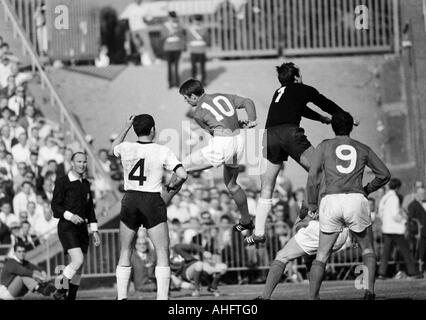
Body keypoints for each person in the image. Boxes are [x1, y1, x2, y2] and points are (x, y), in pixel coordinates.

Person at [246, 62, 357, 246]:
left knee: (267, 186)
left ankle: (258, 232)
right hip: (289, 133)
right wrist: (345, 115)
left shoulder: (278, 93)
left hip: (269, 135)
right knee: (323, 171)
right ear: (297, 77)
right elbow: (325, 103)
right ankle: (309, 207)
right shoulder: (303, 88)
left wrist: (320, 118)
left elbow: (301, 108)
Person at [306, 111, 391, 300]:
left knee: (321, 255)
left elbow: (313, 177)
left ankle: (312, 297)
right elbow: (384, 174)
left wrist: (311, 203)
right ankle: (369, 291)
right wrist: (367, 189)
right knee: (367, 249)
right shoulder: (363, 147)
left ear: (332, 126)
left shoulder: (324, 146)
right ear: (351, 127)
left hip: (331, 200)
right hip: (355, 198)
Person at [111, 114, 187, 300]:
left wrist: (126, 126)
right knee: (162, 250)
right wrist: (170, 186)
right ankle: (162, 298)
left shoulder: (126, 147)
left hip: (130, 198)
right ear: (153, 129)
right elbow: (182, 174)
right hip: (151, 199)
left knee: (126, 250)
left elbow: (113, 148)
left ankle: (121, 297)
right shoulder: (162, 150)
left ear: (135, 130)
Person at [178, 79, 257, 236]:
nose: (185, 101)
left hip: (223, 144)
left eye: (186, 98)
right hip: (239, 141)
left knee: (180, 166)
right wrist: (252, 119)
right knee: (232, 185)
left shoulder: (197, 113)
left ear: (193, 96)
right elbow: (248, 101)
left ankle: (160, 205)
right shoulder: (223, 96)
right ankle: (246, 221)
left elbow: (214, 131)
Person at [255, 215, 349, 300]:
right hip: (342, 233)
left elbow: (307, 206)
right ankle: (314, 297)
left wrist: (299, 219)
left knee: (282, 256)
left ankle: (264, 297)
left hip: (321, 228)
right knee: (312, 259)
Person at [51, 152, 101, 300]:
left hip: (82, 230)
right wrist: (70, 216)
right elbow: (55, 206)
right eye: (79, 161)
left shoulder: (86, 184)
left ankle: (70, 297)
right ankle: (59, 290)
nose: (82, 164)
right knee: (77, 260)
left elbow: (90, 209)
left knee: (79, 267)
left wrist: (95, 231)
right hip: (67, 228)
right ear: (72, 163)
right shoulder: (62, 182)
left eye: (84, 162)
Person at [377, 178, 421, 279]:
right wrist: (404, 221)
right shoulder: (394, 198)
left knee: (386, 253)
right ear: (398, 187)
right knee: (406, 251)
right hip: (395, 229)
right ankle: (413, 272)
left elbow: (381, 212)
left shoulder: (385, 198)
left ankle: (381, 273)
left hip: (387, 228)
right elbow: (395, 214)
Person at [163, 11, 185, 89]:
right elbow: (162, 35)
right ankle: (170, 82)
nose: (172, 18)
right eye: (171, 17)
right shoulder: (165, 25)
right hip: (168, 48)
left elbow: (181, 35)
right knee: (169, 66)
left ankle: (177, 82)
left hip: (177, 47)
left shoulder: (179, 25)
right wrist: (170, 33)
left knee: (176, 65)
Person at [407, 186, 426, 275]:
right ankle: (418, 270)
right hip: (419, 233)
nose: (422, 195)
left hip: (424, 232)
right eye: (420, 193)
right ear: (416, 194)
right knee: (419, 253)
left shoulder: (424, 203)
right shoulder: (412, 205)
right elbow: (410, 220)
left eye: (424, 193)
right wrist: (414, 232)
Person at [187, 15, 209, 86]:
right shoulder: (191, 29)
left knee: (202, 67)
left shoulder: (204, 29)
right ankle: (194, 81)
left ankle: (203, 81)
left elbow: (207, 39)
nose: (197, 22)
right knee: (194, 67)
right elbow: (188, 39)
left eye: (198, 20)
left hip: (201, 50)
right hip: (193, 50)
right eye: (196, 20)